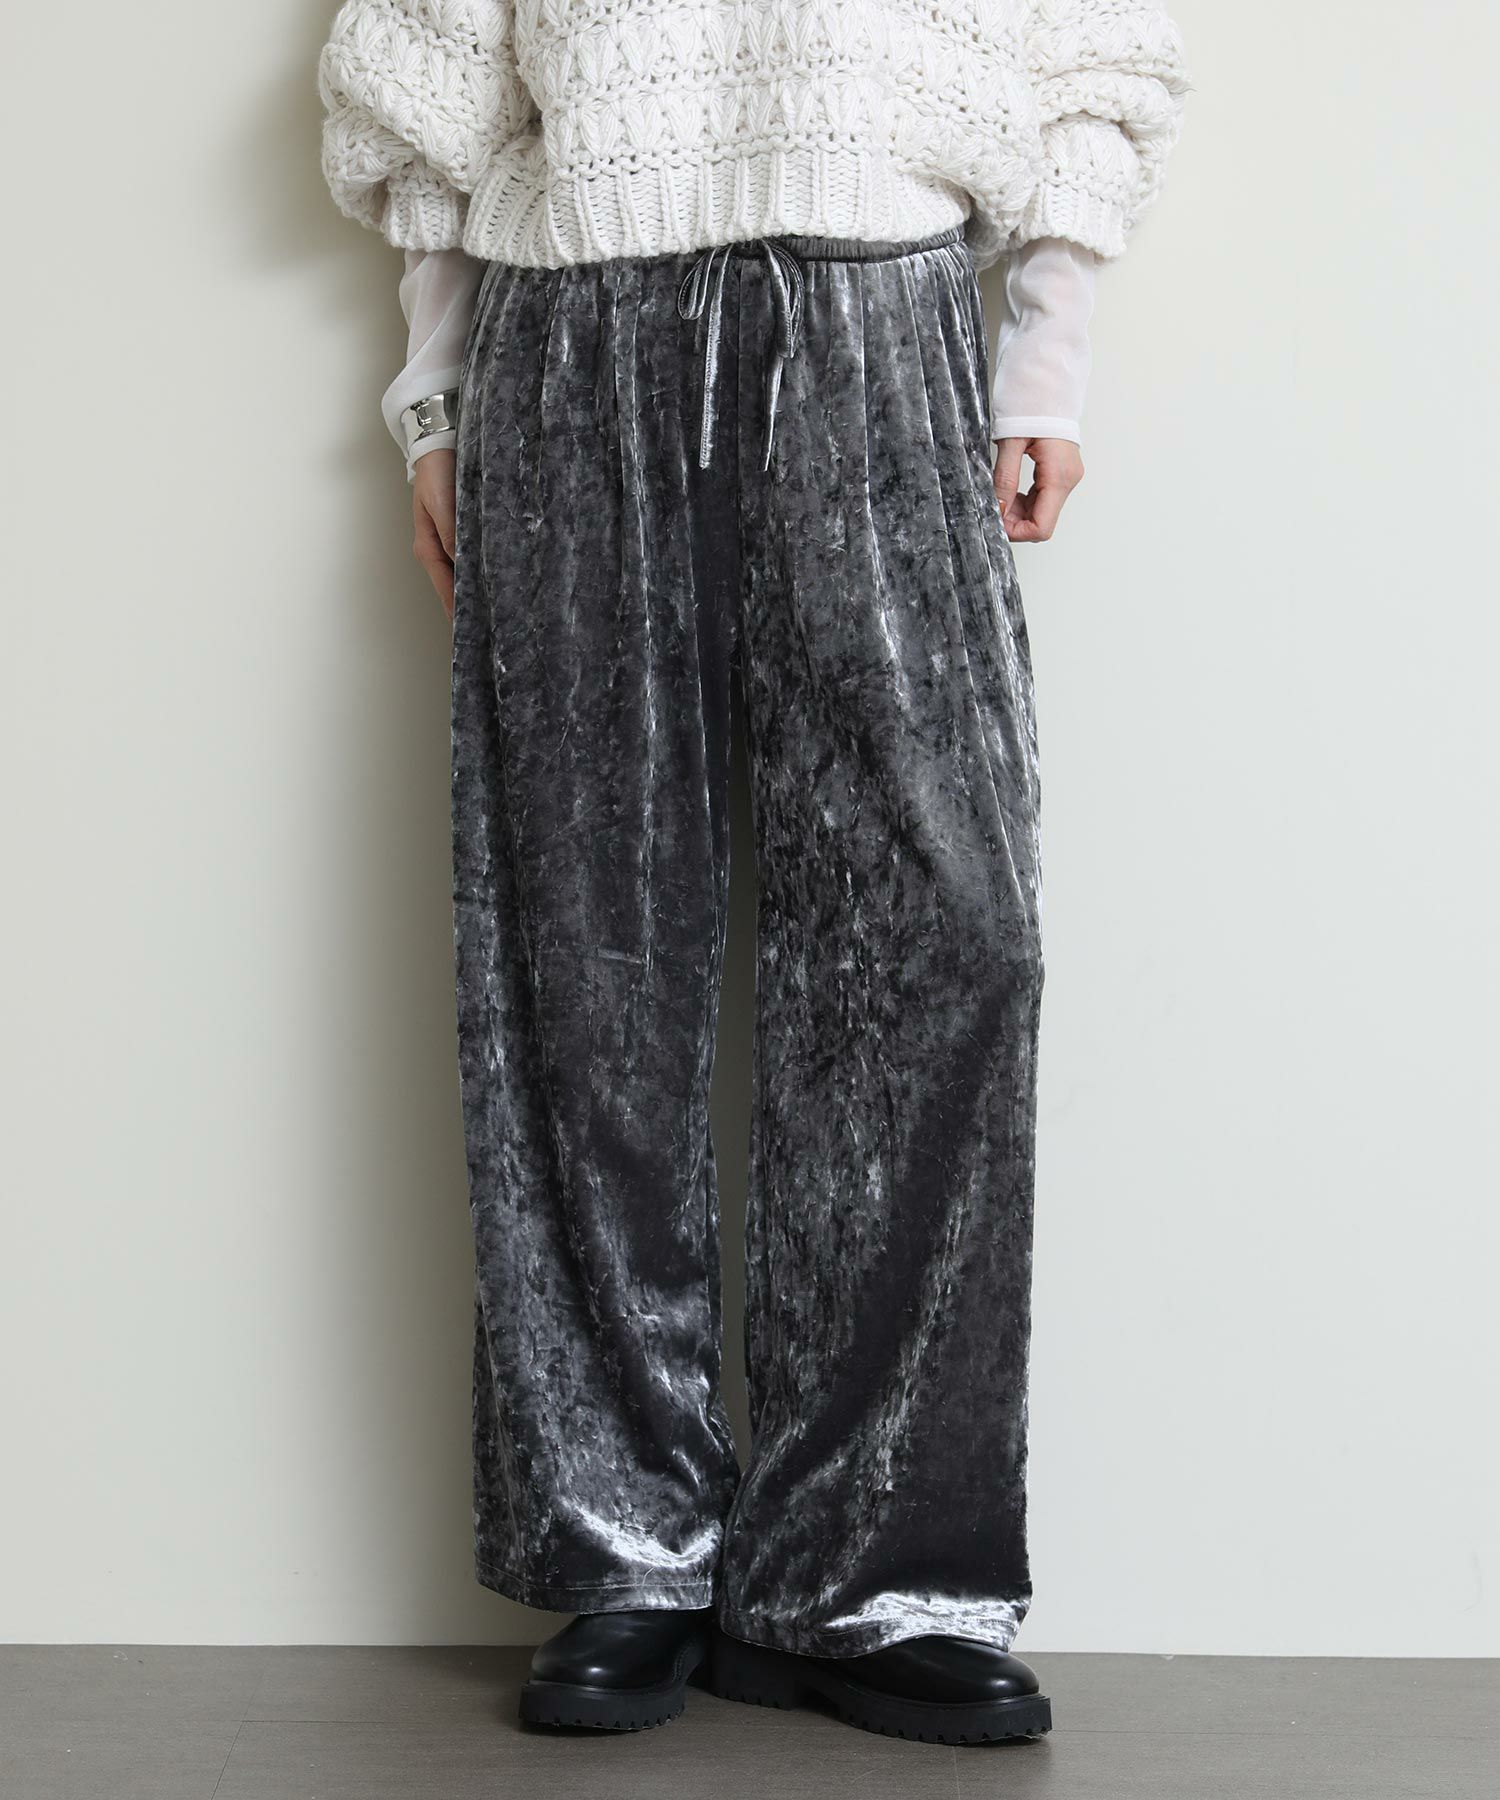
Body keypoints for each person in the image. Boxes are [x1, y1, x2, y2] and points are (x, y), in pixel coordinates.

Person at [318, 0, 1186, 1746]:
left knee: (946, 936)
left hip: (891, 319)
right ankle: (624, 1546)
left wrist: (1046, 349)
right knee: (583, 949)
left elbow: (1092, 48)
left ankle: (864, 1575)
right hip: (571, 332)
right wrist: (435, 399)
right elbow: (435, 68)